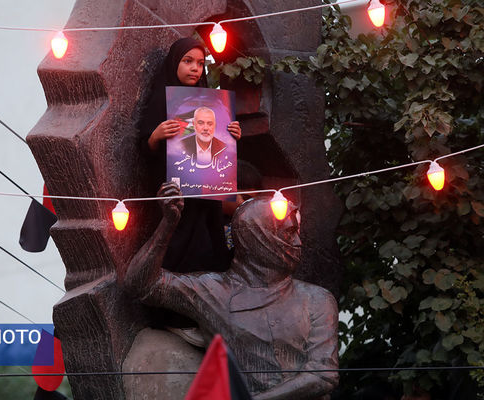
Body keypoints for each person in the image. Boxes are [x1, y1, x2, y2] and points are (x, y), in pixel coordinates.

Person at [121, 182, 339, 399]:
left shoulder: (317, 300)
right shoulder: (212, 291)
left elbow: (323, 375)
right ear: (256, 237)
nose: (298, 242)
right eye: (289, 233)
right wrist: (168, 224)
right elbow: (141, 284)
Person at [137, 37, 241, 275]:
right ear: (175, 63)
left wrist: (233, 133)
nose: (195, 68)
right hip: (177, 196)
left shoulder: (214, 102)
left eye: (200, 63)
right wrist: (156, 135)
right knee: (175, 255)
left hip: (208, 199)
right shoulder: (161, 99)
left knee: (210, 252)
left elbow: (224, 150)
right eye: (187, 61)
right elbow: (144, 148)